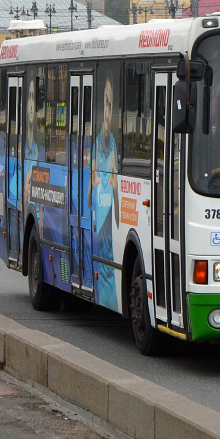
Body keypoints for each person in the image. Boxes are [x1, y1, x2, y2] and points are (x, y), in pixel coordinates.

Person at [89, 75, 119, 310]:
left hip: (110, 219)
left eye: (111, 105)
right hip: (99, 218)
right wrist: (95, 181)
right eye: (105, 103)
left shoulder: (114, 145)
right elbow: (90, 192)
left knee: (110, 263)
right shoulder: (96, 142)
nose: (108, 110)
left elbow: (116, 181)